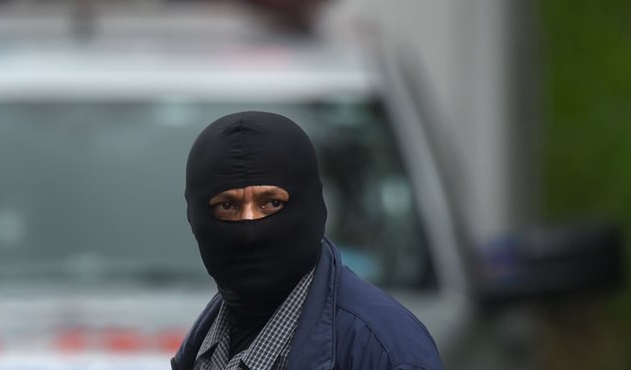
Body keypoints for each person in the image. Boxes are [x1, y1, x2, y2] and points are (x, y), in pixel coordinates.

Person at [172, 111, 444, 370]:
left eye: (272, 203)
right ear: (195, 218)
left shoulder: (386, 352)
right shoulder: (202, 349)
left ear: (312, 207)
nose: (249, 232)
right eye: (228, 206)